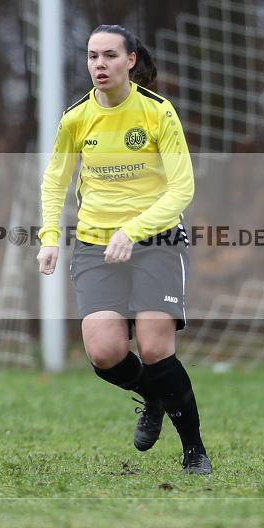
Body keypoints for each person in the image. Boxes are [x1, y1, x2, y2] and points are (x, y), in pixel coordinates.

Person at [37, 24, 211, 475]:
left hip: (158, 241)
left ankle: (195, 451)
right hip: (96, 246)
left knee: (155, 349)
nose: (100, 65)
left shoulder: (158, 113)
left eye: (110, 56)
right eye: (93, 56)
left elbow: (182, 188)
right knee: (105, 352)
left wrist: (133, 230)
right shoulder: (76, 117)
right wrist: (50, 239)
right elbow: (55, 181)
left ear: (130, 60)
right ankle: (152, 397)